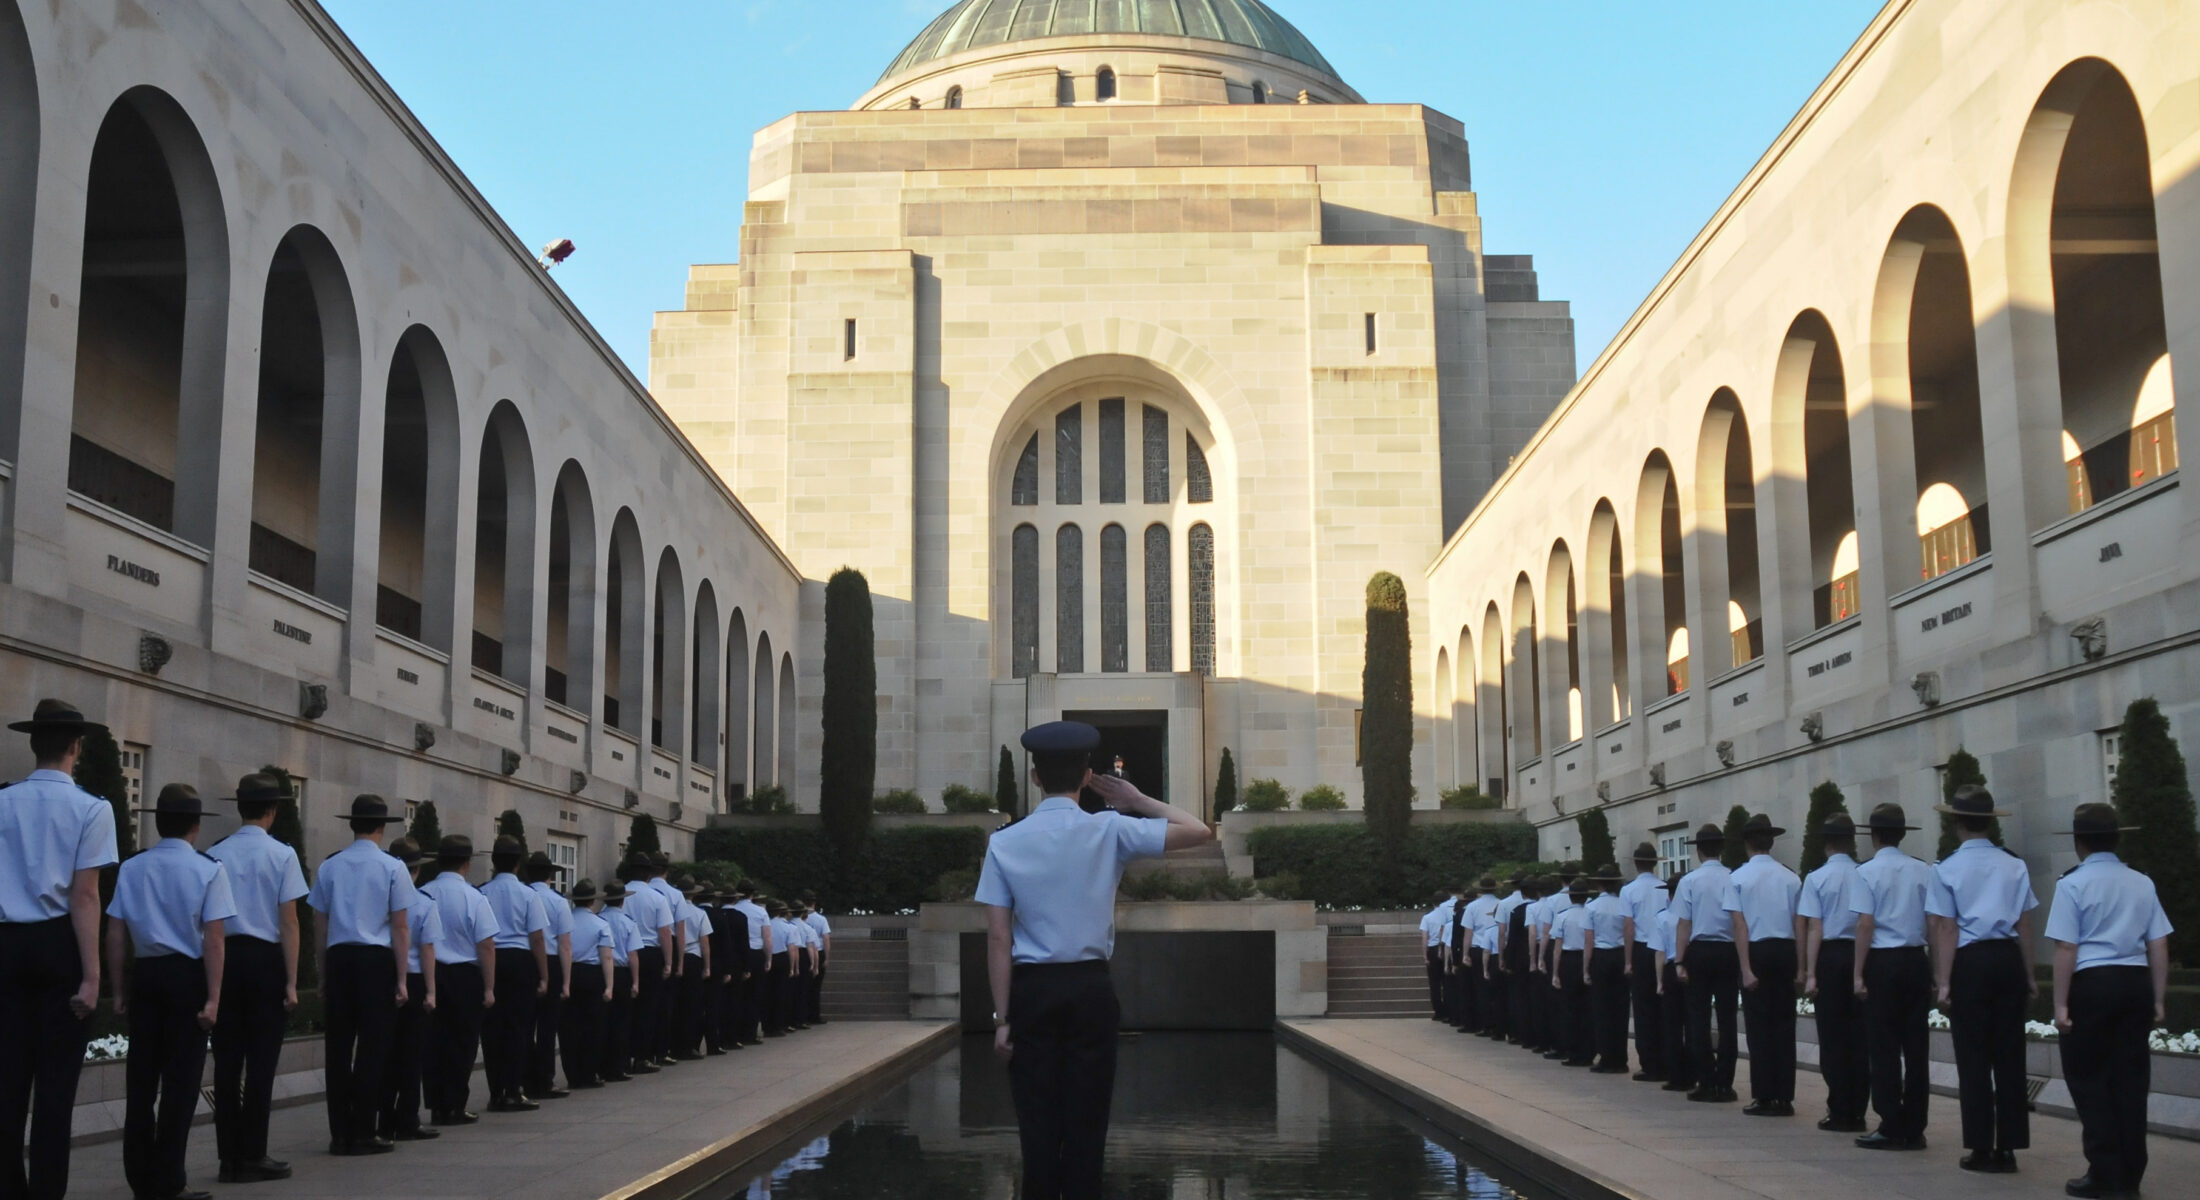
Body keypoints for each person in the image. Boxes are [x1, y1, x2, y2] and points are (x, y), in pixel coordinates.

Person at [977, 720, 1211, 1200]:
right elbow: (1199, 830)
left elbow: (999, 938)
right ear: (1087, 775)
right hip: (1089, 989)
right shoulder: (1111, 829)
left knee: (1037, 1127)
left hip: (1032, 991)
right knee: (1087, 1127)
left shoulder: (1005, 841)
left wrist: (1002, 1018)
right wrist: (1137, 799)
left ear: (1035, 776)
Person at [0, 699, 119, 1200]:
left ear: (32, 744)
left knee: (5, 1089)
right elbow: (86, 895)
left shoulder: (2, 801)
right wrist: (93, 978)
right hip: (58, 944)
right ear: (76, 746)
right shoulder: (92, 808)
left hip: (6, 943)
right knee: (55, 1092)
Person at [106, 783, 236, 1200]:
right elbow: (214, 940)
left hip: (146, 975)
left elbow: (115, 932)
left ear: (157, 822)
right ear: (196, 825)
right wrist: (214, 998)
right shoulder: (209, 869)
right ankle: (169, 1180)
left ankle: (140, 1177)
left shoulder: (133, 867)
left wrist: (119, 989)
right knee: (181, 1085)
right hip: (187, 977)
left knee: (141, 1082)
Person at [2046, 803, 2172, 1199]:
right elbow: (2158, 942)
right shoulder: (2142, 881)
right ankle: (2131, 1175)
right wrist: (2158, 997)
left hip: (2093, 984)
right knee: (2131, 1082)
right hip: (2135, 981)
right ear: (2117, 839)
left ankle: (2104, 1172)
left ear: (2079, 843)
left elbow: (2067, 946)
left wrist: (2061, 1005)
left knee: (2089, 1079)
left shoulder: (2072, 884)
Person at [1925, 785, 2038, 1173]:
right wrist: (2029, 973)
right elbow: (2024, 924)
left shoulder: (1946, 868)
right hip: (2007, 958)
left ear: (1957, 822)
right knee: (2009, 1055)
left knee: (1972, 1057)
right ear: (1989, 823)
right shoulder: (2014, 864)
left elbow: (1946, 929)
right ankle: (2008, 1147)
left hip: (1970, 962)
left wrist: (1943, 980)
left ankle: (1980, 1145)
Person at [205, 772, 308, 1184]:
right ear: (273, 809)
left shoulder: (215, 854)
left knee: (227, 1063)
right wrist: (291, 980)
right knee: (261, 1063)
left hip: (226, 959)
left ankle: (228, 1156)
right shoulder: (282, 855)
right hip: (265, 960)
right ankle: (254, 1152)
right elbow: (289, 923)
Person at [305, 794, 414, 1157]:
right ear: (382, 828)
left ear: (352, 825)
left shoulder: (330, 867)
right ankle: (364, 1129)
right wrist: (401, 978)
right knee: (373, 1047)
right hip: (375, 961)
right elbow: (400, 928)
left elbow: (319, 927)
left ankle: (340, 1132)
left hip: (339, 958)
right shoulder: (393, 868)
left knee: (337, 1049)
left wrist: (322, 972)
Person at [1850, 802, 1933, 1151]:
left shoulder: (1866, 872)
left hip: (1882, 962)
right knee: (1916, 1047)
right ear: (1902, 834)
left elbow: (1865, 923)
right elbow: (1935, 922)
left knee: (1883, 1046)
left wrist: (1857, 973)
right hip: (1916, 959)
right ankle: (1915, 1125)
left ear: (1874, 835)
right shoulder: (1923, 870)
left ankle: (1889, 1120)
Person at [1725, 813, 1802, 1117]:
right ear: (1771, 842)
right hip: (1785, 950)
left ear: (1746, 844)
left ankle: (1764, 1095)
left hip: (1755, 950)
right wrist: (1801, 967)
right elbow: (1800, 924)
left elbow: (1739, 926)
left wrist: (1745, 968)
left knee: (1759, 1026)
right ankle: (1785, 1096)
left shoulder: (1738, 878)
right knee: (1784, 1024)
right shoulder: (1791, 877)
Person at [419, 835, 497, 1126]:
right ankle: (455, 1104)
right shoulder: (475, 897)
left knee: (434, 1041)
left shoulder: (424, 892)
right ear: (467, 863)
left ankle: (437, 1105)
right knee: (463, 1041)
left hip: (432, 972)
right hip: (466, 975)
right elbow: (486, 945)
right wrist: (489, 987)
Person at [1799, 810, 1869, 1133]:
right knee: (1859, 1036)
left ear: (1826, 843)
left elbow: (1815, 928)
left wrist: (1810, 972)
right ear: (1852, 842)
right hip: (1861, 954)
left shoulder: (1815, 878)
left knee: (1832, 1036)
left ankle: (1839, 1107)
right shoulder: (1864, 874)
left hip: (1829, 956)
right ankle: (1859, 1108)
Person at [377, 838, 440, 1146]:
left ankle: (384, 1119)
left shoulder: (380, 900)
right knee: (412, 1054)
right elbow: (427, 950)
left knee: (386, 1052)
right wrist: (431, 991)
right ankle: (408, 1119)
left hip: (384, 976)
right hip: (414, 979)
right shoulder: (424, 903)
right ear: (416, 871)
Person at [478, 836, 546, 1113]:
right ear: (519, 864)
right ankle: (514, 1089)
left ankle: (496, 1091)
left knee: (492, 1029)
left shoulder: (481, 892)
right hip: (520, 960)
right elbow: (538, 938)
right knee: (519, 1028)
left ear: (494, 862)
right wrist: (543, 974)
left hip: (490, 959)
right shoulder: (529, 895)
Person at [1673, 822, 1739, 1103]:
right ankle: (1725, 1082)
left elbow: (1683, 924)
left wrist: (1679, 961)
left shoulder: (1689, 881)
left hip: (1698, 951)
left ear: (1699, 851)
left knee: (1697, 1018)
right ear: (1721, 849)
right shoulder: (1734, 878)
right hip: (1728, 950)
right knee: (1727, 1019)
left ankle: (1705, 1080)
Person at [620, 855, 675, 1072]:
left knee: (626, 1009)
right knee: (648, 1008)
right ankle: (642, 1056)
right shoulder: (657, 897)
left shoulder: (621, 894)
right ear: (650, 873)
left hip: (625, 952)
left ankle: (623, 1057)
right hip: (651, 954)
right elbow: (664, 933)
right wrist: (668, 962)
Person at [524, 852, 572, 1101]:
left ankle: (525, 1078)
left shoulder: (523, 895)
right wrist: (565, 981)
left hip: (525, 960)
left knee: (524, 1025)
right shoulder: (557, 901)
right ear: (550, 875)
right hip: (551, 962)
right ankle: (545, 1079)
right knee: (547, 1027)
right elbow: (565, 944)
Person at [1620, 844, 1668, 1082]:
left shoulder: (1628, 890)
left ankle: (1650, 1063)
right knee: (1666, 1008)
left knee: (1643, 1008)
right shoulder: (1665, 887)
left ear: (1635, 864)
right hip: (1664, 949)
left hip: (1641, 949)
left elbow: (1628, 927)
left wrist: (1628, 961)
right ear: (1655, 863)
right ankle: (1668, 1059)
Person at [561, 880, 615, 1090]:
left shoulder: (566, 923)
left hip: (571, 971)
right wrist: (609, 986)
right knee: (593, 1026)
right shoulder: (600, 924)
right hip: (593, 975)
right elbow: (607, 957)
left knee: (569, 1027)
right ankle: (589, 1073)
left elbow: (563, 949)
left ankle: (572, 1074)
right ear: (593, 900)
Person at [1585, 863, 1632, 1074]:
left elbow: (1589, 940)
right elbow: (1630, 930)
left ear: (1599, 884)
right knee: (1621, 1009)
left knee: (1602, 1009)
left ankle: (1606, 1056)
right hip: (1621, 954)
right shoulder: (1624, 904)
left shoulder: (1591, 907)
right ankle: (1621, 1057)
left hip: (1601, 955)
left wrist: (1586, 968)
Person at [1651, 874, 1694, 1095]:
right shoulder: (1694, 916)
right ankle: (1696, 1072)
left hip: (1670, 969)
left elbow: (1659, 952)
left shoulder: (1663, 917)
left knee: (1672, 1025)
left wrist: (1659, 981)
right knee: (1694, 1023)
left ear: (1669, 894)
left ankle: (1676, 1075)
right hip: (1692, 967)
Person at [642, 853, 686, 1066]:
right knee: (663, 1004)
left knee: (638, 1006)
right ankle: (660, 1050)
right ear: (667, 871)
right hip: (660, 950)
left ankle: (640, 1053)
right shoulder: (675, 895)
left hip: (632, 951)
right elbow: (677, 930)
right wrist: (677, 962)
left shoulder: (634, 892)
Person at [1549, 876, 1594, 1067]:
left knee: (1569, 1008)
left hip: (1568, 961)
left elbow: (1557, 947)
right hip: (1588, 958)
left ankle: (1573, 1051)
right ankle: (1589, 1051)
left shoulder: (1562, 916)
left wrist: (1555, 973)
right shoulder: (1590, 914)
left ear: (1571, 897)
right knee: (1588, 1008)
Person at [597, 881, 640, 1082]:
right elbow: (633, 955)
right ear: (622, 901)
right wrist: (636, 982)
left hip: (602, 972)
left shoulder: (599, 919)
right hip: (622, 973)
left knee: (603, 1022)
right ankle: (619, 1066)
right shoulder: (628, 922)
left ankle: (602, 1066)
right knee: (622, 1022)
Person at [673, 879, 712, 1056]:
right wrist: (707, 966)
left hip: (675, 956)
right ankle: (688, 1045)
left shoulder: (672, 910)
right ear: (694, 894)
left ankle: (672, 1045)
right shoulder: (700, 913)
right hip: (693, 957)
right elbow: (705, 943)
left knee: (675, 1003)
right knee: (692, 1004)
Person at [731, 882, 770, 1047]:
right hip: (755, 952)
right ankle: (750, 1033)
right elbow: (767, 937)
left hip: (737, 954)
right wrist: (768, 958)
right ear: (753, 894)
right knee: (754, 995)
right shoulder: (761, 911)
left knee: (738, 995)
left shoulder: (733, 910)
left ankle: (735, 1033)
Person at [1493, 874, 1531, 1043]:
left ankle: (1516, 1032)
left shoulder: (1504, 904)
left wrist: (1502, 957)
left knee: (1515, 994)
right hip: (1536, 950)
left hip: (1515, 950)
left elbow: (1502, 933)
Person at [1421, 888, 1456, 1021]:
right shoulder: (1448, 915)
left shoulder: (1427, 917)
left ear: (1433, 903)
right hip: (1447, 947)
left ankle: (1438, 1011)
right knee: (1447, 982)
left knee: (1434, 983)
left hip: (1433, 949)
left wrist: (1425, 955)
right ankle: (1449, 1010)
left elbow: (1425, 937)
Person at [802, 894, 832, 1026]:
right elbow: (826, 938)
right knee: (816, 987)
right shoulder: (821, 919)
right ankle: (814, 1014)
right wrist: (827, 957)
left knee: (803, 986)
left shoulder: (799, 919)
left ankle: (803, 1015)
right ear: (814, 903)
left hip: (802, 952)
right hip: (818, 952)